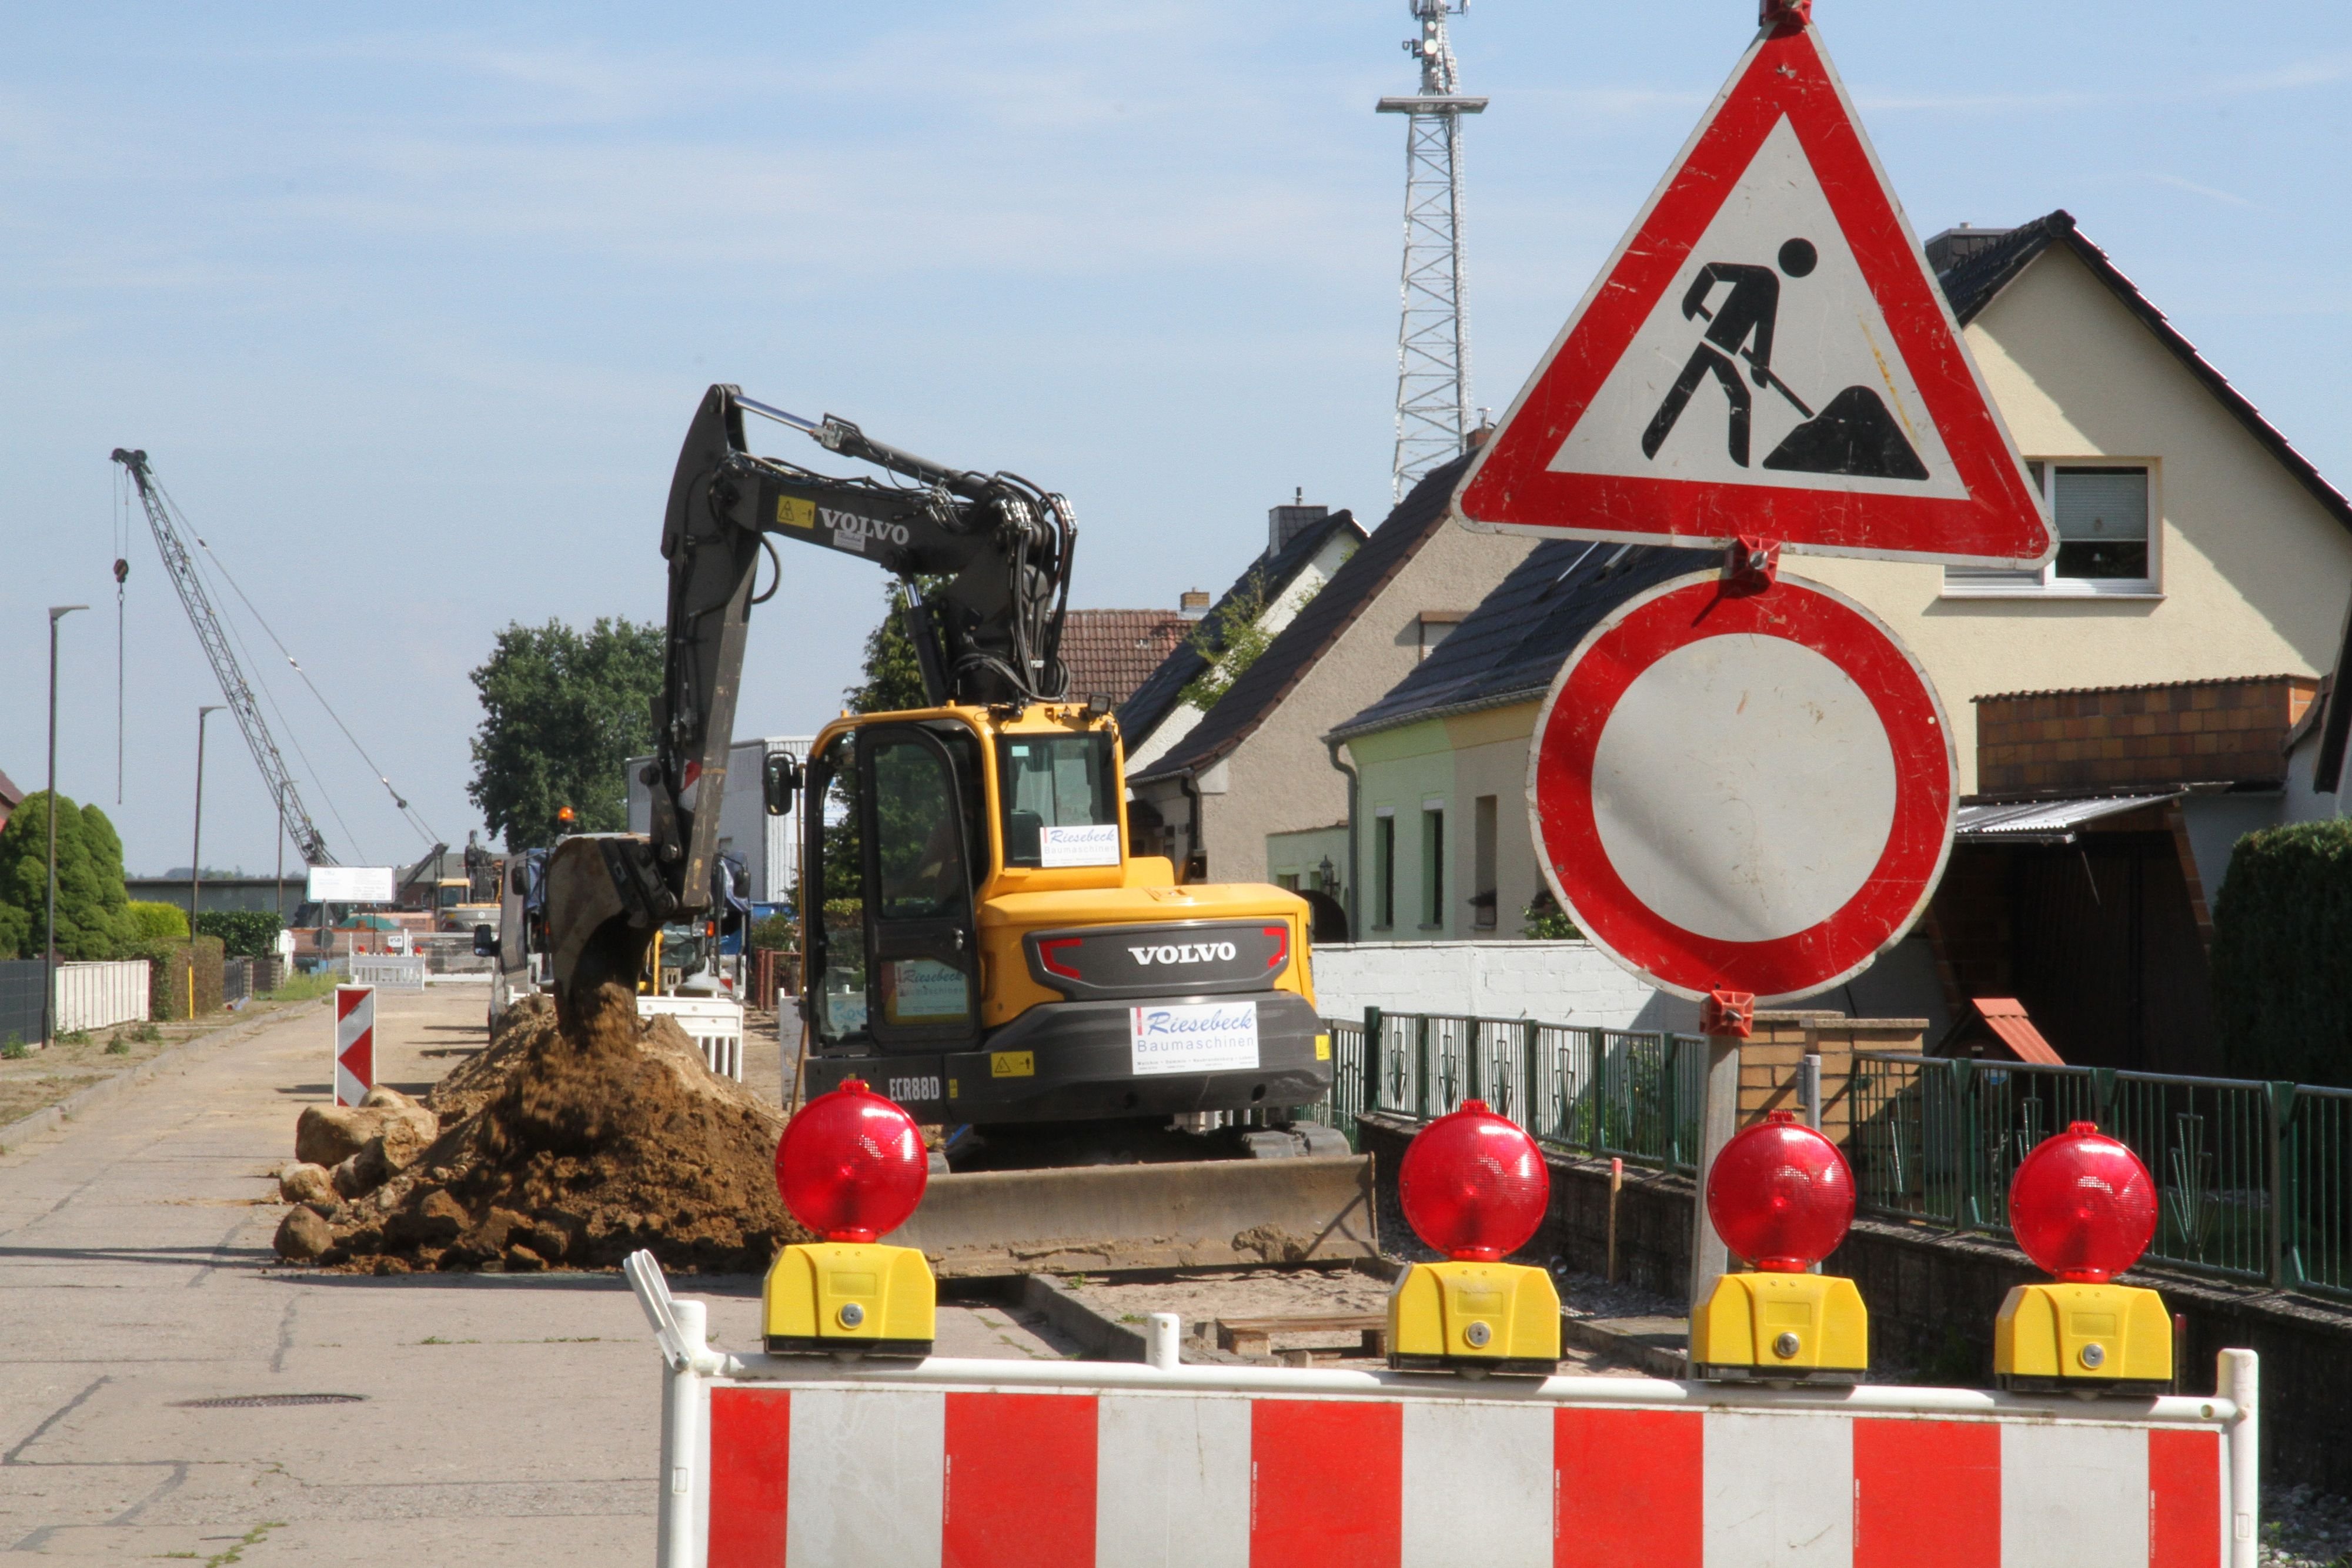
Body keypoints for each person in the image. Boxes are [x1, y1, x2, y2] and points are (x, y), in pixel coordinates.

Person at [1642, 238, 1818, 467]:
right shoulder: (1764, 278)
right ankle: (1738, 463)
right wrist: (1692, 301)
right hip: (1715, 346)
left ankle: (1653, 442)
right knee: (1713, 392)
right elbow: (1712, 270)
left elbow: (1764, 332)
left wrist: (1760, 366)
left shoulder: (1769, 282)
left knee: (1693, 388)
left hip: (1721, 350)